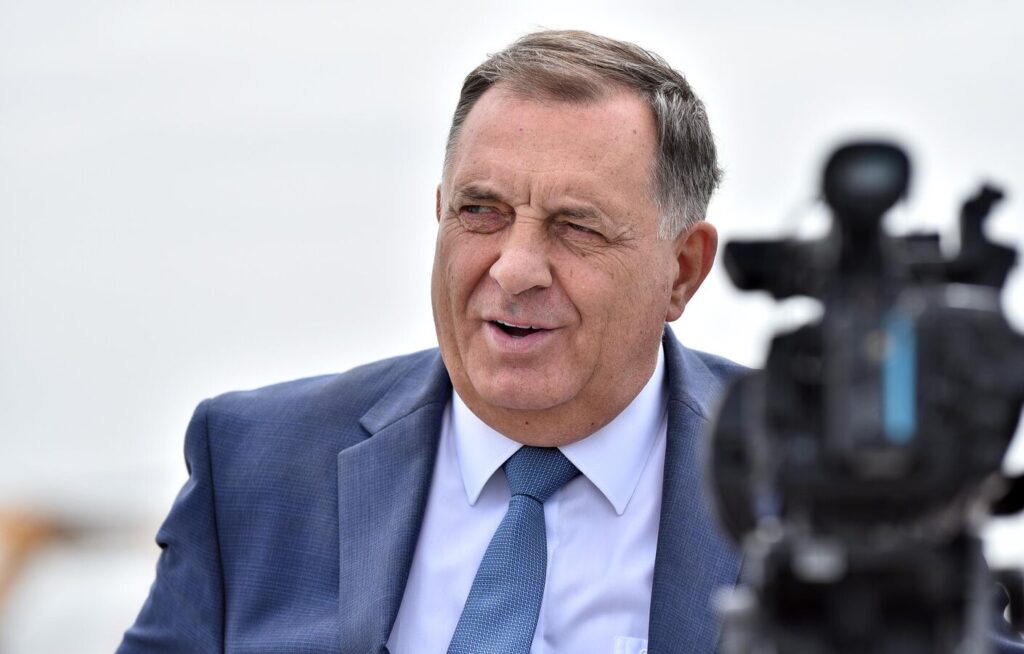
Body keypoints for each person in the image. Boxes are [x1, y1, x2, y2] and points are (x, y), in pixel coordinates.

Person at [118, 30, 1023, 654]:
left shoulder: (840, 473)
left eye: (576, 227)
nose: (514, 269)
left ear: (683, 270)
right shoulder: (256, 464)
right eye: (481, 212)